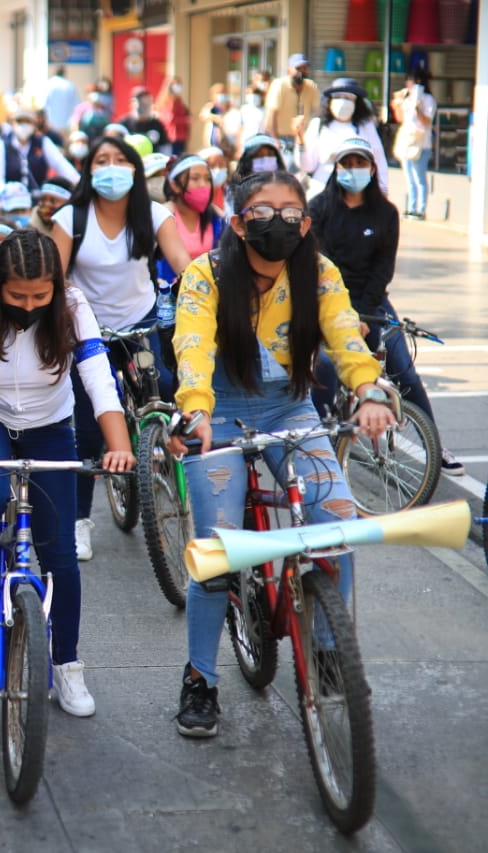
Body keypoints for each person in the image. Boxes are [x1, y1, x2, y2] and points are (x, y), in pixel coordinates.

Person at [165, 170, 395, 737]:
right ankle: (200, 677)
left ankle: (325, 651)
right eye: (262, 211)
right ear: (239, 224)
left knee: (337, 524)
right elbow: (191, 345)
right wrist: (193, 409)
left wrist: (368, 389)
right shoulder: (206, 275)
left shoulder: (317, 270)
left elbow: (345, 334)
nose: (279, 221)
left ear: (307, 222)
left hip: (291, 412)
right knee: (217, 554)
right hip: (215, 416)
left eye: (291, 211)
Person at [0, 229, 134, 716]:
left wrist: (119, 448)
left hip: (50, 424)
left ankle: (68, 666)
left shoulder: (74, 306)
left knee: (59, 551)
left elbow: (99, 380)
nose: (31, 304)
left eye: (42, 295)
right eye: (18, 295)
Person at [51, 135, 192, 560]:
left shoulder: (155, 215)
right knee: (88, 427)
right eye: (102, 160)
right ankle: (79, 520)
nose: (112, 168)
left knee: (165, 390)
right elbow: (53, 281)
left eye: (120, 160)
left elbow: (184, 268)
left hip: (141, 324)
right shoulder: (69, 219)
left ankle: (163, 462)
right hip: (89, 331)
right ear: (90, 171)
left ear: (134, 168)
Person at [307, 138, 463, 475]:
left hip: (372, 300)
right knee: (323, 368)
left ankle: (436, 444)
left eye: (359, 163)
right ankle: (319, 445)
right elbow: (315, 263)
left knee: (403, 367)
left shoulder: (386, 213)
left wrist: (361, 314)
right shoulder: (318, 208)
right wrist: (341, 314)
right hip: (326, 299)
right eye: (346, 163)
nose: (353, 170)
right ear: (336, 168)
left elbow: (382, 269)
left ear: (373, 167)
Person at [294, 78, 387, 197]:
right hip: (322, 191)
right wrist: (300, 138)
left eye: (347, 98)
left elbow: (379, 161)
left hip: (357, 194)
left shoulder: (366, 127)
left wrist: (383, 191)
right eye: (338, 97)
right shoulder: (318, 125)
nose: (342, 102)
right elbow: (307, 165)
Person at [0, 109, 80, 200]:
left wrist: (78, 183)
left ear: (34, 124)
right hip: (11, 200)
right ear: (12, 123)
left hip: (37, 199)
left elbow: (61, 165)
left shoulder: (43, 142)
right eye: (19, 121)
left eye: (27, 121)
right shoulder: (3, 144)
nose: (23, 125)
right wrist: (4, 191)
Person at [392, 66, 437, 220]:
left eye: (410, 81)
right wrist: (397, 104)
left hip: (421, 145)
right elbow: (400, 119)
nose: (408, 84)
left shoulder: (429, 100)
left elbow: (426, 122)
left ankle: (421, 210)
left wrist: (418, 107)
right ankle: (411, 208)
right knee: (409, 178)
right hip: (407, 142)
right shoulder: (407, 98)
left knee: (419, 178)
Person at [162, 154, 226, 261]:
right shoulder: (163, 216)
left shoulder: (217, 218)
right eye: (195, 178)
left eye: (208, 179)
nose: (203, 185)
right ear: (175, 186)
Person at [263, 54, 321, 168]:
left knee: (306, 168)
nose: (301, 72)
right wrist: (275, 139)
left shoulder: (311, 86)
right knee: (288, 167)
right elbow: (272, 114)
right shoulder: (280, 85)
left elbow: (319, 110)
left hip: (302, 137)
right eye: (298, 68)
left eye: (304, 68)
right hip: (281, 137)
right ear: (289, 70)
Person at [122, 87, 170, 154]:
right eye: (140, 101)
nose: (144, 106)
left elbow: (165, 146)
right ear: (132, 103)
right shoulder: (124, 124)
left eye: (147, 102)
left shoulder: (157, 124)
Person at [197, 84, 238, 160]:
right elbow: (203, 115)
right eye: (218, 93)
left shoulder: (232, 110)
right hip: (211, 146)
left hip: (226, 147)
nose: (221, 95)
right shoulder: (211, 108)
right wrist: (214, 117)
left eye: (223, 93)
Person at [155, 76, 191, 155]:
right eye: (175, 84)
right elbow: (169, 118)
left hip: (181, 136)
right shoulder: (167, 101)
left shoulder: (178, 100)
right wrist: (185, 120)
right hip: (172, 136)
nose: (178, 87)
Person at [44, 66, 79, 135]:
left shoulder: (49, 84)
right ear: (64, 73)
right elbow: (76, 104)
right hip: (66, 122)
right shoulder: (70, 85)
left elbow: (44, 103)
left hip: (52, 122)